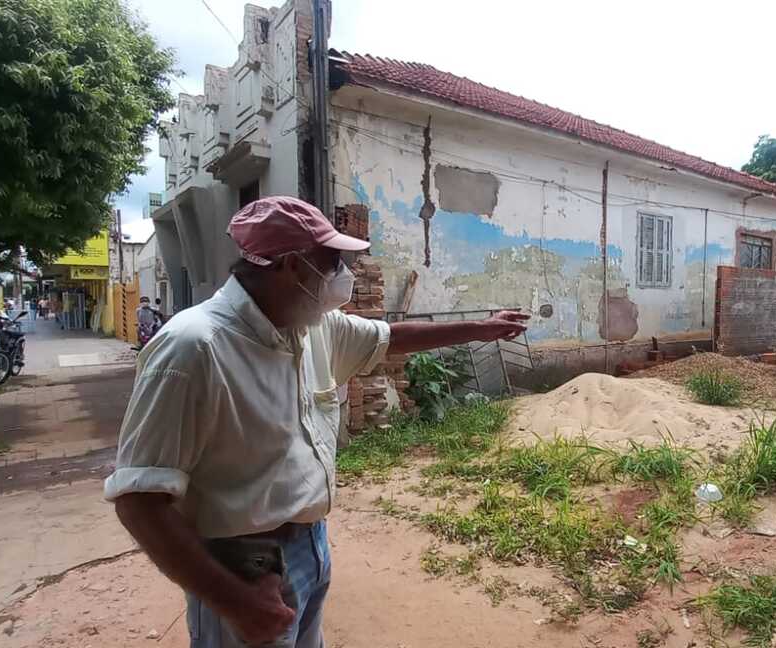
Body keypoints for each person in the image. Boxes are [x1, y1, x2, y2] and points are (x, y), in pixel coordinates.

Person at [105, 196, 527, 648]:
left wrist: (482, 328)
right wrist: (232, 600)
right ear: (290, 265)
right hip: (242, 569)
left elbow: (391, 338)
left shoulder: (311, 326)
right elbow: (139, 502)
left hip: (311, 546)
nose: (341, 275)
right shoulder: (193, 350)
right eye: (332, 262)